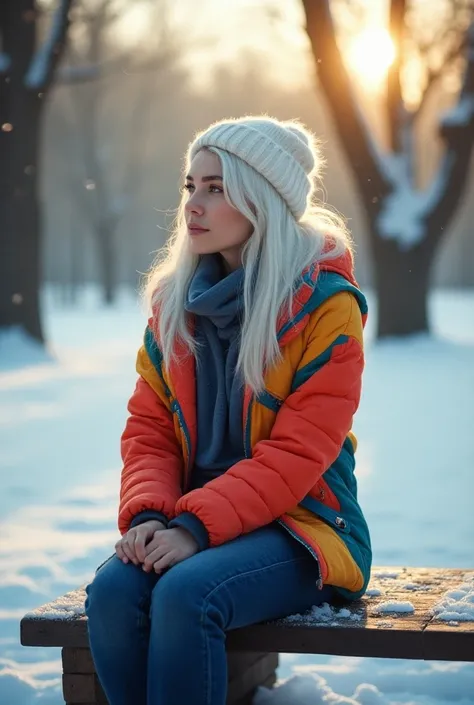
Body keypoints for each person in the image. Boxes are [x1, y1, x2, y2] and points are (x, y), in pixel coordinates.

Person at [85, 115, 371, 705]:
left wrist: (194, 528)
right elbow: (149, 431)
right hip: (189, 520)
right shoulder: (173, 306)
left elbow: (299, 452)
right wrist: (148, 516)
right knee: (114, 594)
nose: (194, 203)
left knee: (189, 594)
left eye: (215, 188)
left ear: (260, 197)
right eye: (192, 186)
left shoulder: (325, 308)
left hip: (302, 526)